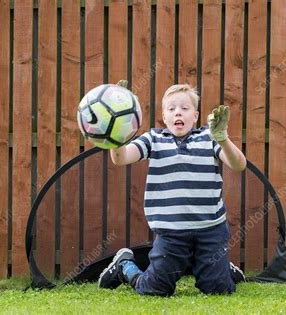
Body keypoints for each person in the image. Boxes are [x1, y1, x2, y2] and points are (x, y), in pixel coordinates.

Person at [98, 83, 247, 296]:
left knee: (219, 290)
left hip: (211, 230)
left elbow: (239, 165)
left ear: (195, 116)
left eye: (185, 108)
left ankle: (221, 270)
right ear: (164, 117)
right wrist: (117, 132)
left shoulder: (209, 137)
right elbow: (121, 159)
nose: (178, 112)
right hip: (171, 233)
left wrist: (223, 138)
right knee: (154, 290)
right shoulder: (153, 139)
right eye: (171, 109)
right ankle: (125, 267)